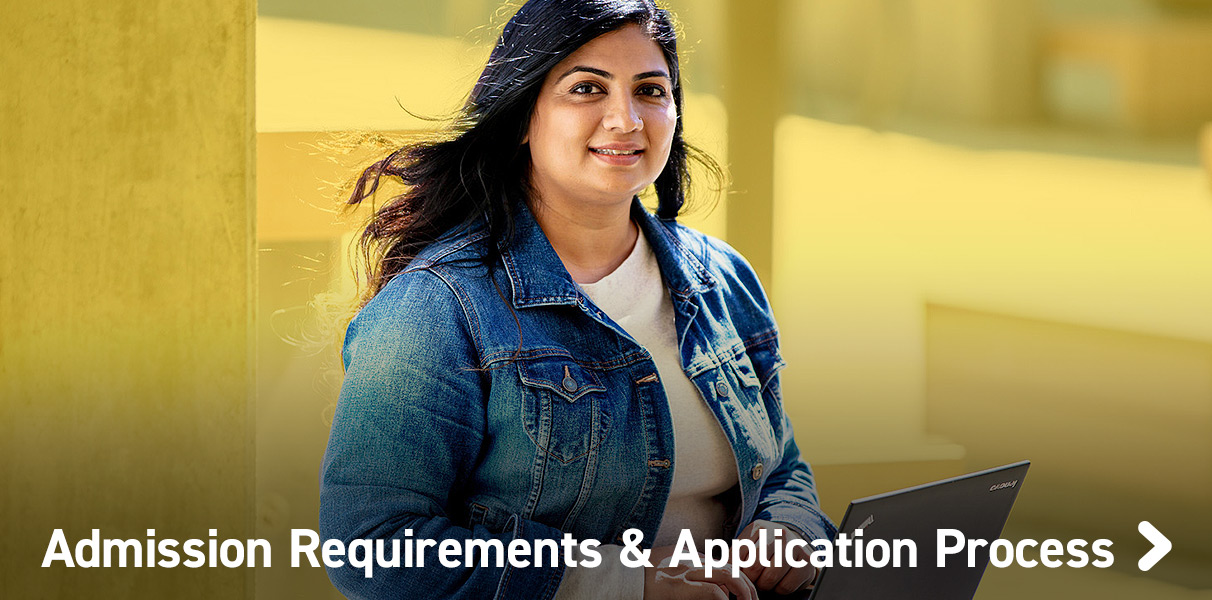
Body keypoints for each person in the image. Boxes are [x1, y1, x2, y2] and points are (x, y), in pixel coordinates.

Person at [319, 1, 837, 598]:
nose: (626, 119)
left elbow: (781, 466)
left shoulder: (723, 278)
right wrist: (628, 585)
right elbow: (372, 546)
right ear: (522, 115)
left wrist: (790, 529)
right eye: (587, 88)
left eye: (650, 90)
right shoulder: (437, 308)